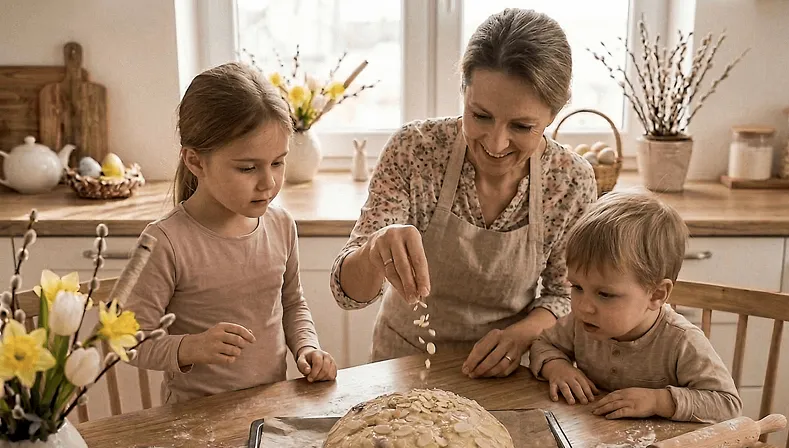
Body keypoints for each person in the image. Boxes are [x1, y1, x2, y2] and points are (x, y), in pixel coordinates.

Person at [329, 8, 596, 378]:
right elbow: (348, 293)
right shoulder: (415, 149)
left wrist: (522, 334)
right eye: (480, 116)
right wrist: (374, 251)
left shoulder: (569, 181)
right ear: (464, 91)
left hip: (503, 373)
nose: (496, 142)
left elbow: (565, 294)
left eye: (521, 126)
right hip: (403, 365)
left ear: (554, 113)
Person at [127, 63, 337, 403]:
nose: (268, 182)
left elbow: (293, 303)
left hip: (270, 409)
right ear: (196, 162)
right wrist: (190, 347)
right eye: (247, 168)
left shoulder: (281, 225)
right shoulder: (165, 242)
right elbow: (128, 341)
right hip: (194, 420)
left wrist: (307, 348)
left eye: (278, 163)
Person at [530, 191, 742, 424]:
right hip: (595, 440)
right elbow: (543, 344)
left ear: (657, 294)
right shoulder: (579, 324)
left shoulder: (682, 341)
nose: (583, 306)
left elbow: (727, 404)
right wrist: (556, 366)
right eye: (577, 287)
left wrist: (658, 401)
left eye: (605, 294)